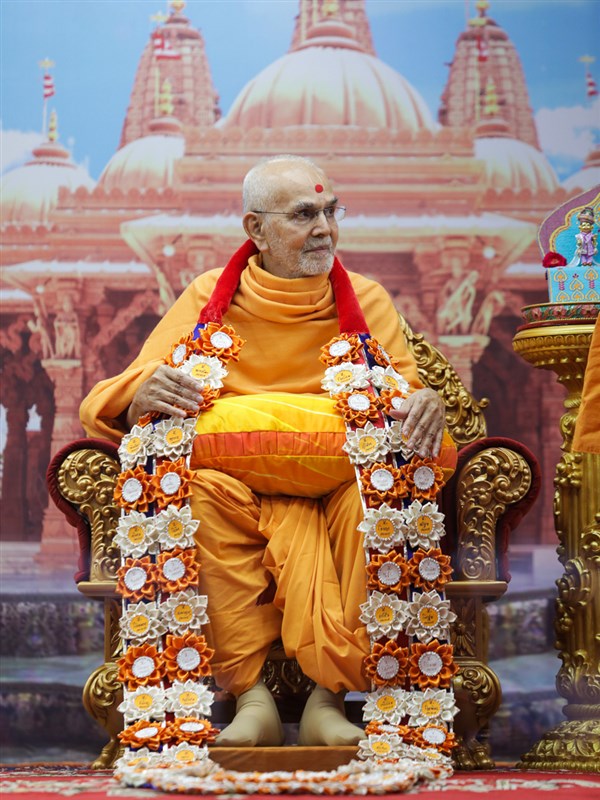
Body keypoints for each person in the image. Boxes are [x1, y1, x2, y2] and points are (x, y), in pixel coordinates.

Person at [80, 155, 448, 748]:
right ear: (255, 228)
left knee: (378, 497)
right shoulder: (207, 298)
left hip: (337, 484)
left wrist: (427, 400)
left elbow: (400, 398)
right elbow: (116, 396)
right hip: (234, 490)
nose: (325, 229)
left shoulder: (368, 299)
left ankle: (328, 701)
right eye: (304, 215)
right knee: (192, 495)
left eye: (331, 211)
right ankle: (252, 700)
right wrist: (140, 393)